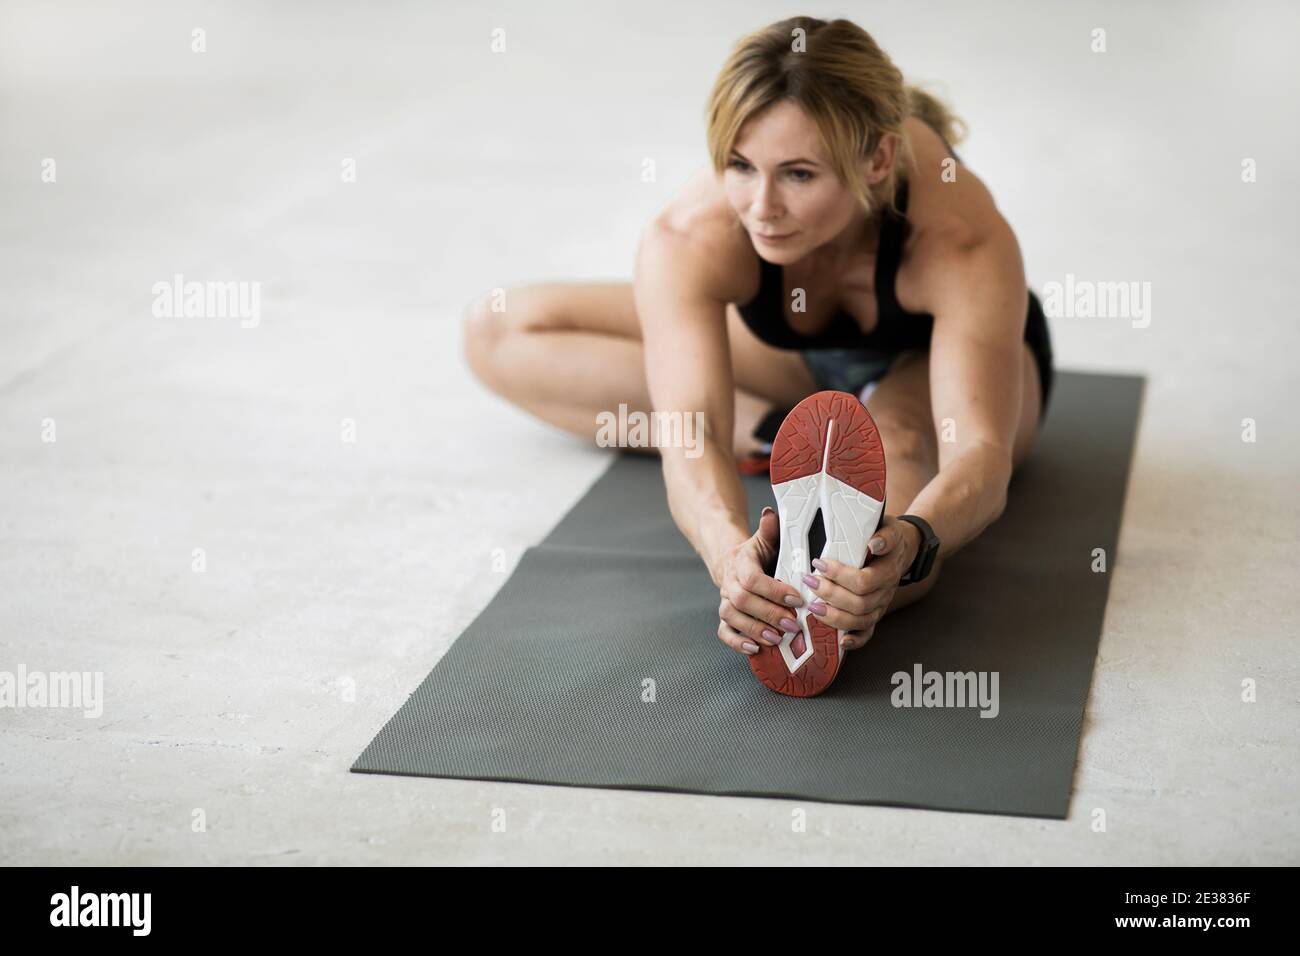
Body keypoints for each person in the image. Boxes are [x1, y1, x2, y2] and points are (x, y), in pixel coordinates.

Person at [462, 16, 1054, 660]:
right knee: (499, 328)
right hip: (795, 361)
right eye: (741, 165)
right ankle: (773, 431)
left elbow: (979, 456)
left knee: (863, 529)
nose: (761, 207)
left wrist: (913, 543)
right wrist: (728, 559)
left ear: (878, 160)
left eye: (799, 174)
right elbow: (690, 431)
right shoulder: (694, 233)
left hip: (932, 370)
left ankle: (847, 505)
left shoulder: (957, 237)